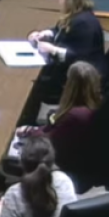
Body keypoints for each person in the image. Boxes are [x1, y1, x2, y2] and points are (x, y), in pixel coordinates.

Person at [18, 61, 100, 192]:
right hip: (74, 159)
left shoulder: (76, 116)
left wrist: (29, 131)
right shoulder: (93, 106)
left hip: (64, 168)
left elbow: (48, 142)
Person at [28, 0, 106, 108]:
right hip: (72, 67)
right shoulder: (75, 14)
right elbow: (61, 30)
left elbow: (79, 57)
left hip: (83, 77)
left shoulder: (84, 23)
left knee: (37, 85)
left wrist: (52, 49)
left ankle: (30, 118)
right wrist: (47, 33)